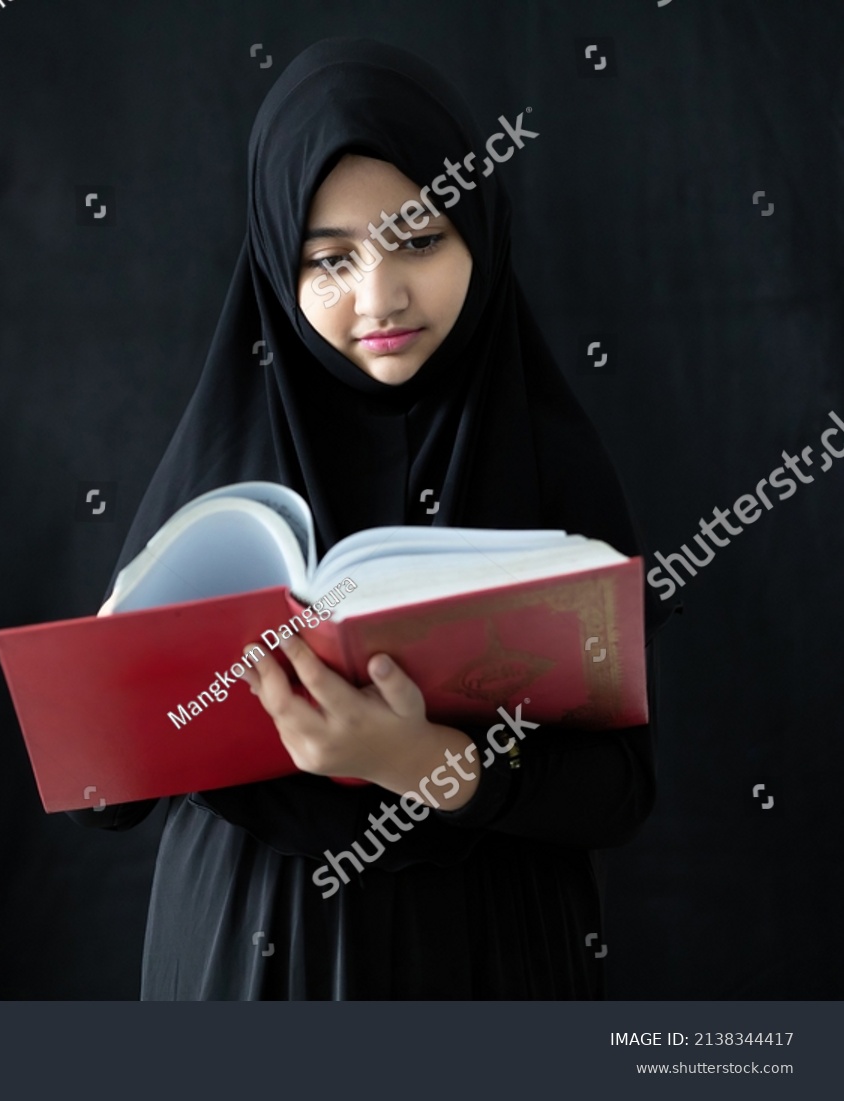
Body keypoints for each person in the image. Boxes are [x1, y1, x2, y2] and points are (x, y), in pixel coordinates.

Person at [69, 38, 674, 999]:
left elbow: (622, 792)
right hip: (254, 952)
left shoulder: (549, 457)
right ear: (277, 263)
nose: (380, 297)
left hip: (497, 954)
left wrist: (427, 763)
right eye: (331, 258)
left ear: (480, 226)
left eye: (422, 238)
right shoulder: (216, 482)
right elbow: (99, 807)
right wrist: (108, 689)